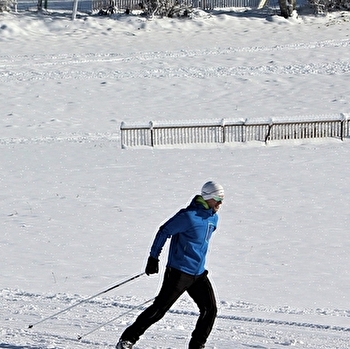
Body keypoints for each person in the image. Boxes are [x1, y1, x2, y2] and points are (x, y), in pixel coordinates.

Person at [116, 181, 225, 349]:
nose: (220, 203)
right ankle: (127, 339)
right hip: (179, 272)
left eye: (222, 198)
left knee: (210, 310)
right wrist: (153, 258)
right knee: (159, 309)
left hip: (198, 273)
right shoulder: (188, 216)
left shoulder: (213, 218)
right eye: (218, 198)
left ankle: (197, 345)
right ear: (208, 197)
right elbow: (164, 230)